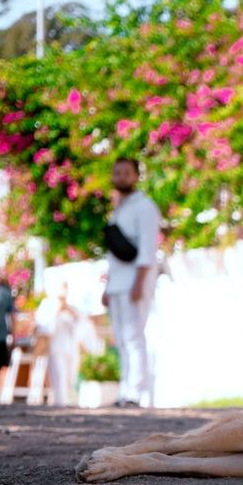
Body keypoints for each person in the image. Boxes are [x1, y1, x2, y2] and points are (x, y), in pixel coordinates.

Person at [102, 157, 161, 408]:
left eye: (126, 173)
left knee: (134, 337)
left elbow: (148, 248)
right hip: (117, 283)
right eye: (117, 172)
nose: (121, 177)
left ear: (137, 176)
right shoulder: (119, 208)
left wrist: (139, 283)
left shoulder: (145, 206)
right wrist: (107, 286)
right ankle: (125, 389)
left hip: (135, 282)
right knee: (122, 339)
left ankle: (135, 393)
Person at [0, 276, 14, 394]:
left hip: (1, 335)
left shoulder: (4, 292)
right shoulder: (5, 292)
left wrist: (14, 334)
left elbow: (12, 316)